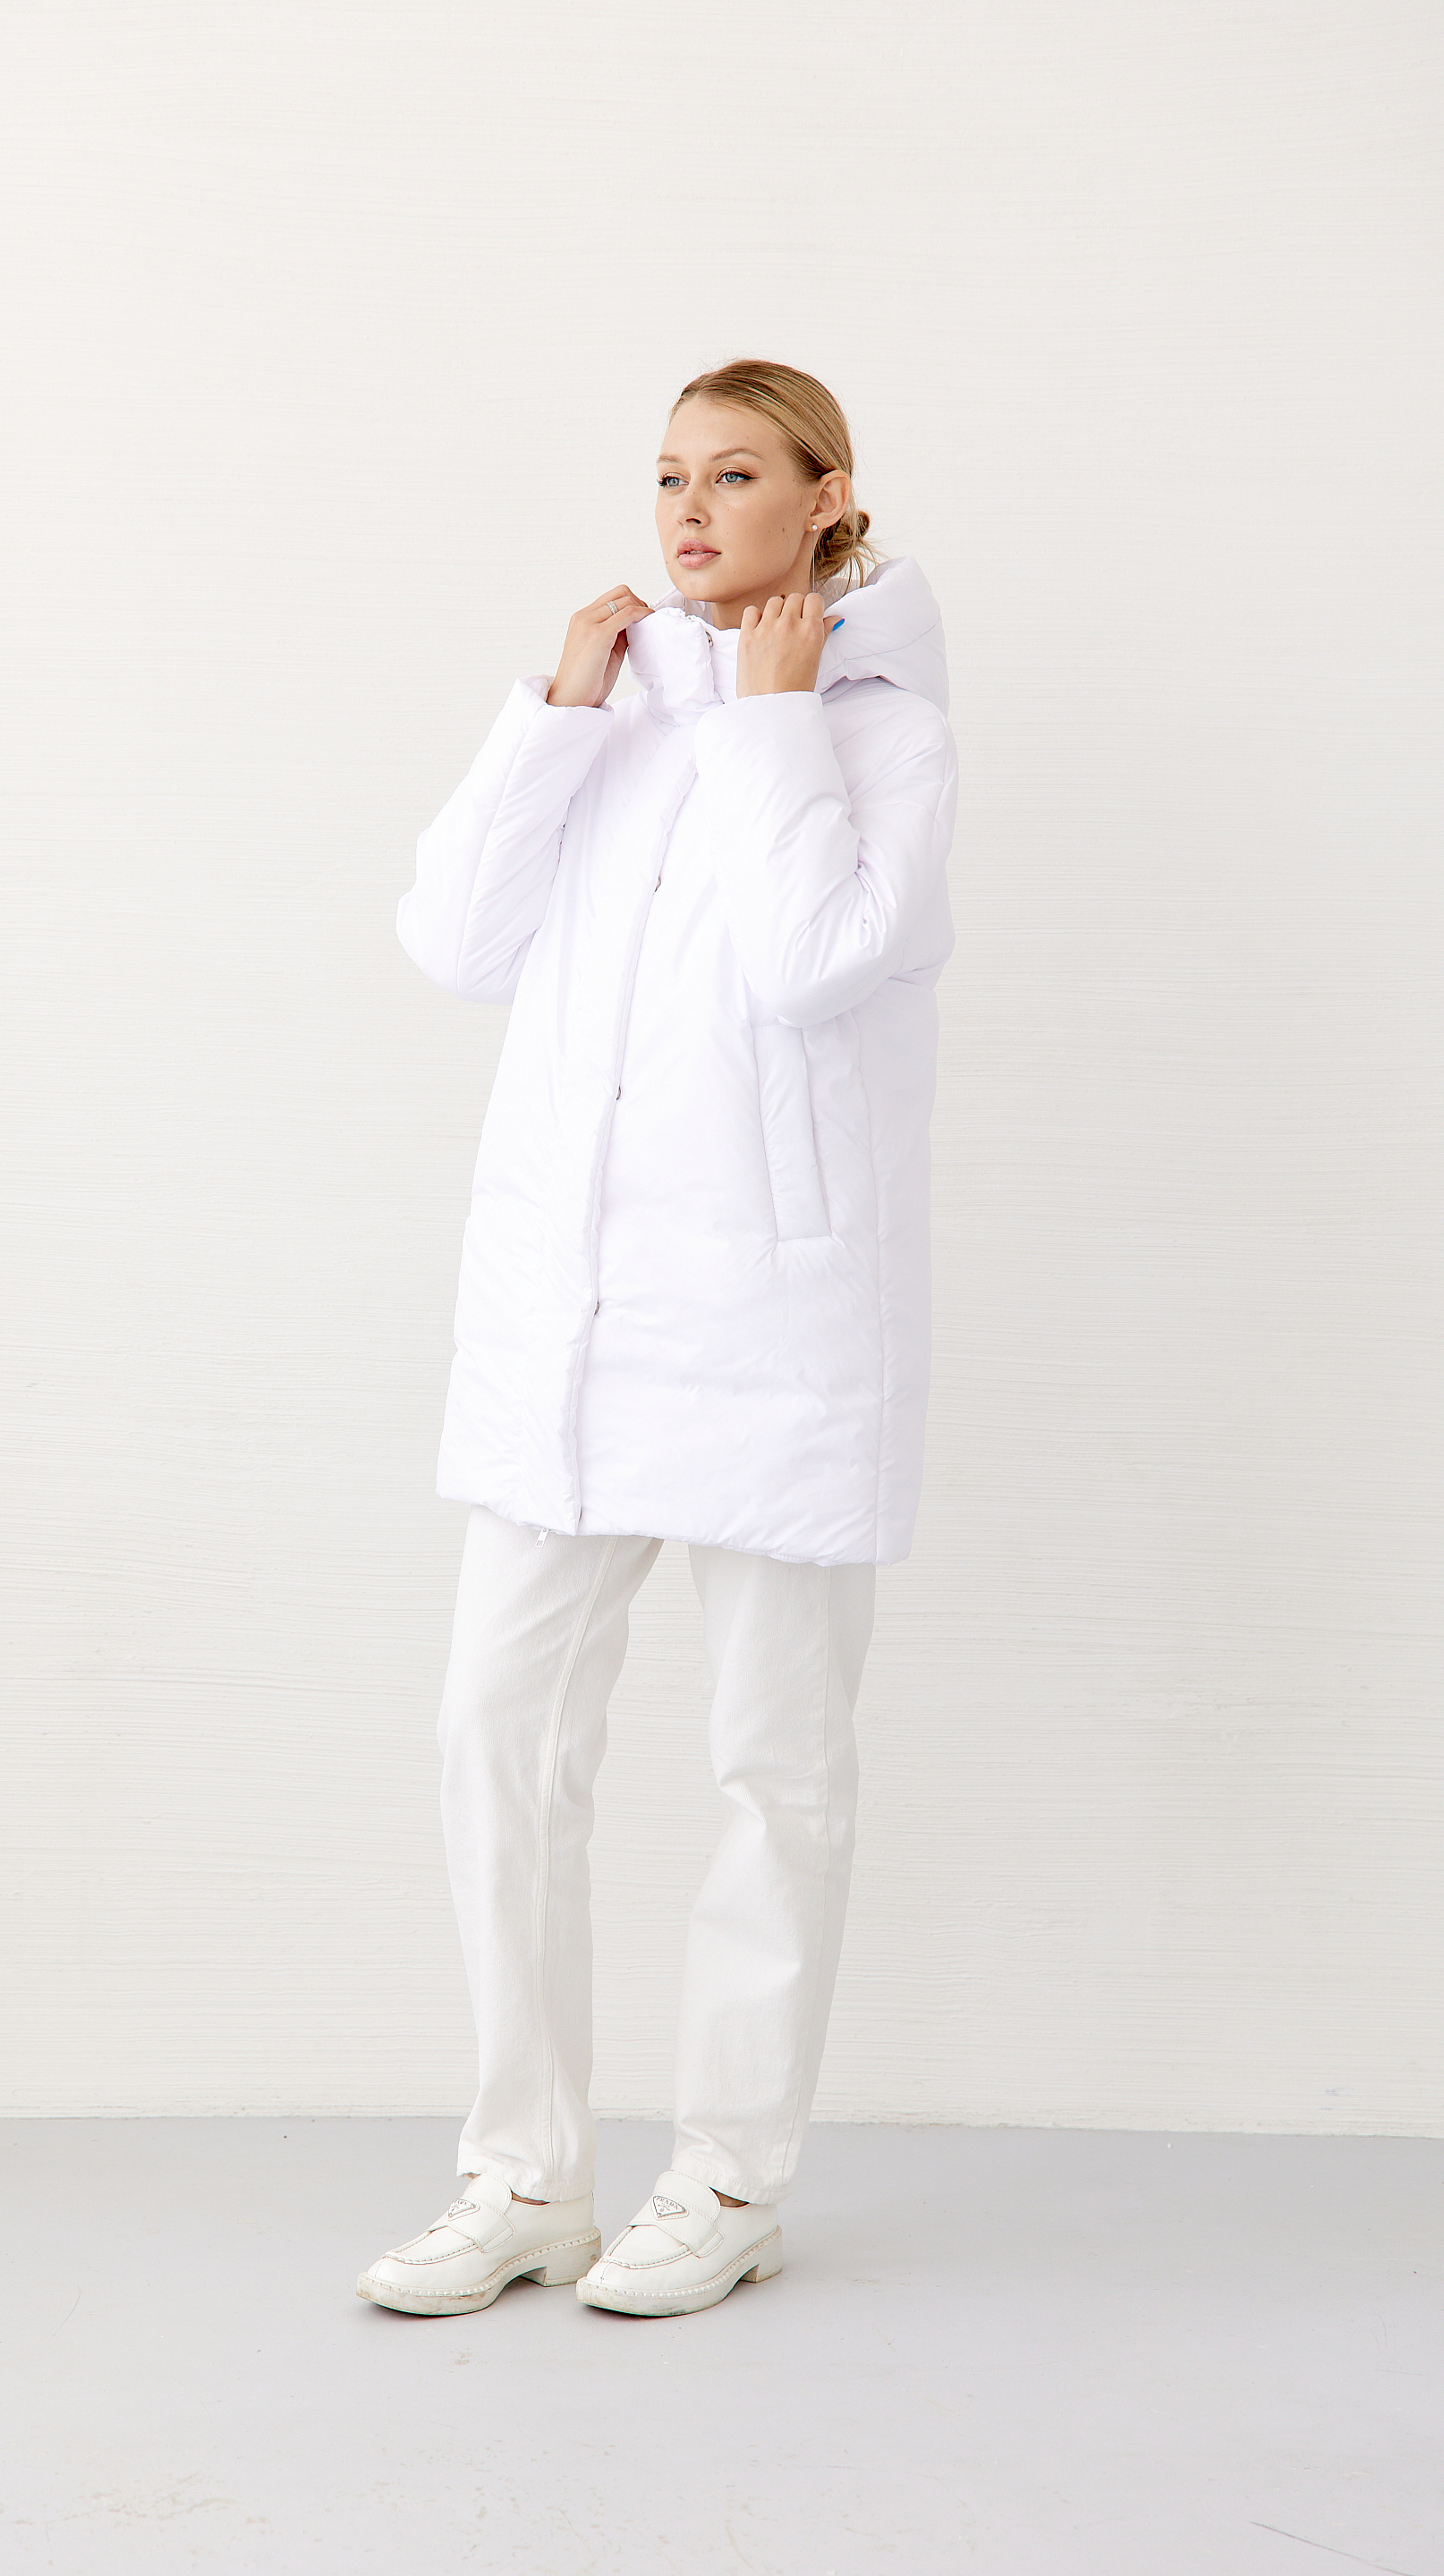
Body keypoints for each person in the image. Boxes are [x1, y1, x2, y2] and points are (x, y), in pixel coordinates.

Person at [358, 358, 958, 2320]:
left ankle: (730, 2180)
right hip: (574, 1324)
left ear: (828, 494)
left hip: (776, 1327)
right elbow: (453, 943)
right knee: (495, 1729)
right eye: (670, 477)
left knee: (775, 1759)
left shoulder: (881, 726)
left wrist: (774, 723)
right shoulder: (610, 714)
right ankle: (526, 2175)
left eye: (735, 475)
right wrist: (554, 717)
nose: (690, 511)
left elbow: (813, 962)